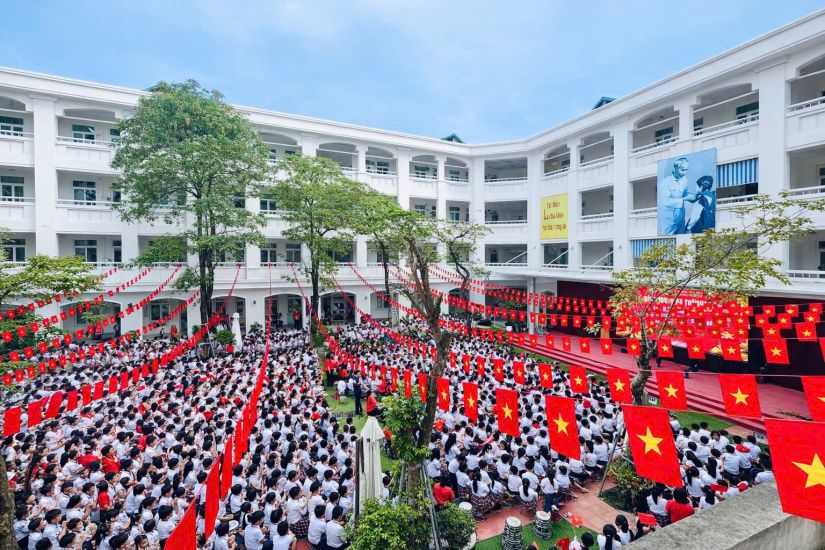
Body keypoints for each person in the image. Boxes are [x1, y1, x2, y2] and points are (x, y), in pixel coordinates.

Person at [658, 157, 697, 235]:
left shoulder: (684, 180)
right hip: (669, 218)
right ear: (675, 168)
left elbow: (687, 192)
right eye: (682, 170)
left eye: (686, 170)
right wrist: (685, 199)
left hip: (681, 216)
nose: (684, 173)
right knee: (667, 240)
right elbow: (666, 201)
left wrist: (691, 196)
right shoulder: (665, 182)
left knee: (681, 238)